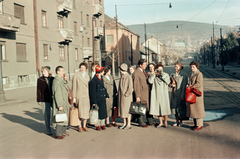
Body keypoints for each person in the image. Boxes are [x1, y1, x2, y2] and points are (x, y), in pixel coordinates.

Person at [132, 59, 155, 127]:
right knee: (142, 108)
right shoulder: (136, 73)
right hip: (141, 94)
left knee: (147, 107)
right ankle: (142, 122)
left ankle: (151, 121)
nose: (146, 66)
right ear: (140, 65)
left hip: (146, 93)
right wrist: (138, 96)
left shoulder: (143, 71)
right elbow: (136, 86)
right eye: (144, 64)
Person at [148, 63, 171, 128]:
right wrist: (154, 74)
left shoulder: (166, 74)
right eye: (158, 69)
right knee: (158, 109)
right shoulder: (154, 75)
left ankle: (165, 122)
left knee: (165, 109)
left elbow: (168, 82)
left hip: (164, 94)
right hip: (156, 94)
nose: (160, 70)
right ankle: (160, 122)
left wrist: (162, 74)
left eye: (161, 69)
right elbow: (150, 81)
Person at [52, 66, 70, 139]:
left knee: (64, 117)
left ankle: (63, 132)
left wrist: (65, 81)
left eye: (63, 71)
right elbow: (57, 94)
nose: (63, 72)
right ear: (57, 72)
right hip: (61, 102)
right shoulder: (56, 81)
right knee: (60, 118)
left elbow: (64, 88)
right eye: (62, 71)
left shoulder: (60, 80)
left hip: (64, 101)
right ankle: (58, 134)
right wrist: (60, 105)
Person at [187, 61, 205, 131]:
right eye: (191, 67)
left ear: (196, 67)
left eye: (193, 67)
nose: (192, 68)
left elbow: (199, 84)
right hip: (192, 94)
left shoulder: (199, 74)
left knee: (198, 110)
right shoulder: (191, 74)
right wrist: (188, 85)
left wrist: (191, 86)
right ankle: (195, 124)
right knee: (193, 110)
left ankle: (199, 125)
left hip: (197, 94)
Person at [89, 65, 109, 131]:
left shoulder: (101, 78)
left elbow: (104, 88)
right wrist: (93, 102)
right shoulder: (93, 80)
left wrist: (106, 96)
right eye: (102, 71)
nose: (103, 72)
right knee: (98, 113)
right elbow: (92, 92)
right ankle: (97, 125)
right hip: (97, 99)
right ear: (100, 71)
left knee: (103, 112)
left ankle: (102, 124)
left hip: (102, 98)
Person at [72, 62, 90, 132]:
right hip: (79, 95)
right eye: (81, 68)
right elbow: (74, 86)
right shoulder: (76, 75)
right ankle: (79, 126)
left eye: (84, 68)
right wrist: (74, 97)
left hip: (86, 95)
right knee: (79, 111)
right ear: (79, 68)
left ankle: (84, 125)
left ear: (86, 69)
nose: (82, 69)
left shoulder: (87, 76)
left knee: (85, 111)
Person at [170, 62, 188, 127]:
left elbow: (184, 86)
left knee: (181, 108)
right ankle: (176, 121)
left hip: (181, 93)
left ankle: (181, 121)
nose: (175, 68)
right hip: (174, 94)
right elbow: (169, 83)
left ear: (180, 67)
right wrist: (171, 85)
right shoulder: (172, 75)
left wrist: (183, 96)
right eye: (175, 67)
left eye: (177, 67)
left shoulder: (184, 75)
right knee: (174, 108)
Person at [37, 66, 54, 135]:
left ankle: (57, 127)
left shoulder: (53, 79)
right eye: (42, 71)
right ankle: (48, 129)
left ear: (48, 71)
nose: (43, 73)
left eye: (45, 71)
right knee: (46, 115)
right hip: (45, 99)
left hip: (53, 99)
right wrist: (39, 100)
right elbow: (38, 90)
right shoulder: (40, 79)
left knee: (55, 113)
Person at [118, 63, 133, 130]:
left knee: (127, 111)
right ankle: (124, 123)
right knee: (123, 110)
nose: (119, 70)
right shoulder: (122, 76)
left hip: (127, 97)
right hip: (122, 97)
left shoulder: (128, 77)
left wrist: (126, 94)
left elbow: (130, 88)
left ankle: (128, 124)